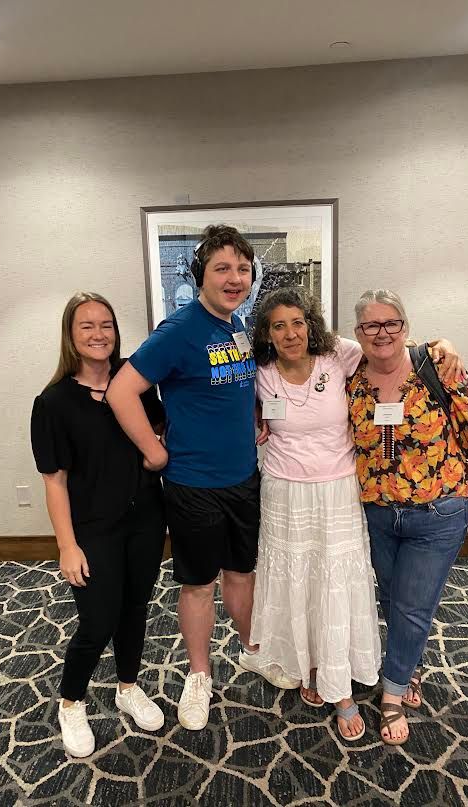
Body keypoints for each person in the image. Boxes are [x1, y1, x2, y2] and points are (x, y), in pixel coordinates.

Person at [105, 225, 289, 731]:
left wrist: (255, 419)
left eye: (243, 269)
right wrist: (154, 453)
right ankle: (199, 675)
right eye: (222, 269)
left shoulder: (239, 327)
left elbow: (234, 388)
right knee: (197, 584)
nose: (235, 279)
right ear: (200, 276)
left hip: (244, 479)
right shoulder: (180, 330)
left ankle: (251, 649)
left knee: (242, 573)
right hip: (193, 485)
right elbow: (122, 392)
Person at [348, 289, 468, 746]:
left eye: (391, 323)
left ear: (405, 327)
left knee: (413, 607)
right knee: (391, 600)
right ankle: (407, 666)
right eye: (371, 325)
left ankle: (392, 693)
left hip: (439, 511)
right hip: (376, 513)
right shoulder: (351, 375)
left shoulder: (440, 369)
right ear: (358, 334)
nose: (382, 333)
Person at [30, 292, 166, 757]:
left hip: (146, 518)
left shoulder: (139, 383)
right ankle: (71, 702)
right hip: (93, 528)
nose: (98, 334)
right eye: (87, 326)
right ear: (70, 335)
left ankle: (127, 688)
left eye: (106, 324)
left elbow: (160, 438)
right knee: (98, 619)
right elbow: (55, 481)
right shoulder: (53, 402)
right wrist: (67, 546)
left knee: (135, 609)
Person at [250, 287, 381, 741]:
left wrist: (442, 347)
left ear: (311, 324)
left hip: (336, 489)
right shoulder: (259, 372)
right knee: (299, 580)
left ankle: (340, 687)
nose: (291, 334)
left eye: (298, 322)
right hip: (285, 493)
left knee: (335, 580)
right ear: (267, 334)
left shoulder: (338, 356)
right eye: (279, 326)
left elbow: (387, 348)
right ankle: (307, 663)